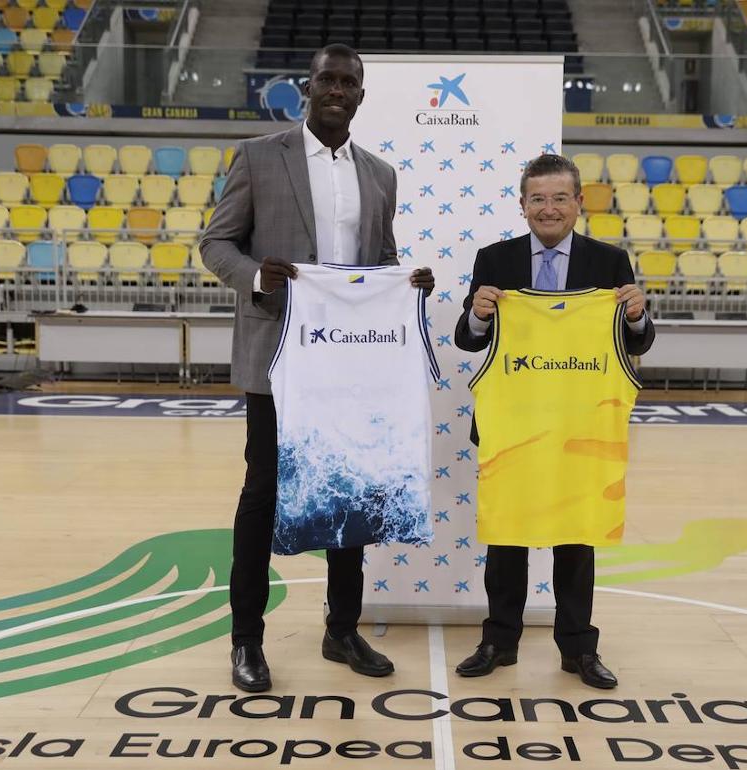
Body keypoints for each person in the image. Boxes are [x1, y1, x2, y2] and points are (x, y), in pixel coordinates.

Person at [200, 43, 434, 693]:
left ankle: (342, 629)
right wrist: (254, 277)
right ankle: (246, 640)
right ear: (308, 88)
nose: (336, 89)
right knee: (262, 496)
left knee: (347, 494)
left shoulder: (382, 175)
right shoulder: (256, 156)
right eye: (326, 79)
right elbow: (215, 244)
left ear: (361, 94)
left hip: (348, 363)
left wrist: (407, 284)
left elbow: (380, 265)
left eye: (348, 81)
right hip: (277, 360)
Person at [452, 154, 654, 689]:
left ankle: (578, 649)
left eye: (559, 197)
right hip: (512, 428)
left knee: (576, 537)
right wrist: (478, 312)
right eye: (537, 198)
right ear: (522, 206)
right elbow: (467, 339)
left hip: (578, 428)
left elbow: (634, 343)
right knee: (507, 538)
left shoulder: (610, 262)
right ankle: (499, 641)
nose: (549, 208)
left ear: (578, 204)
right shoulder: (493, 259)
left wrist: (636, 315)